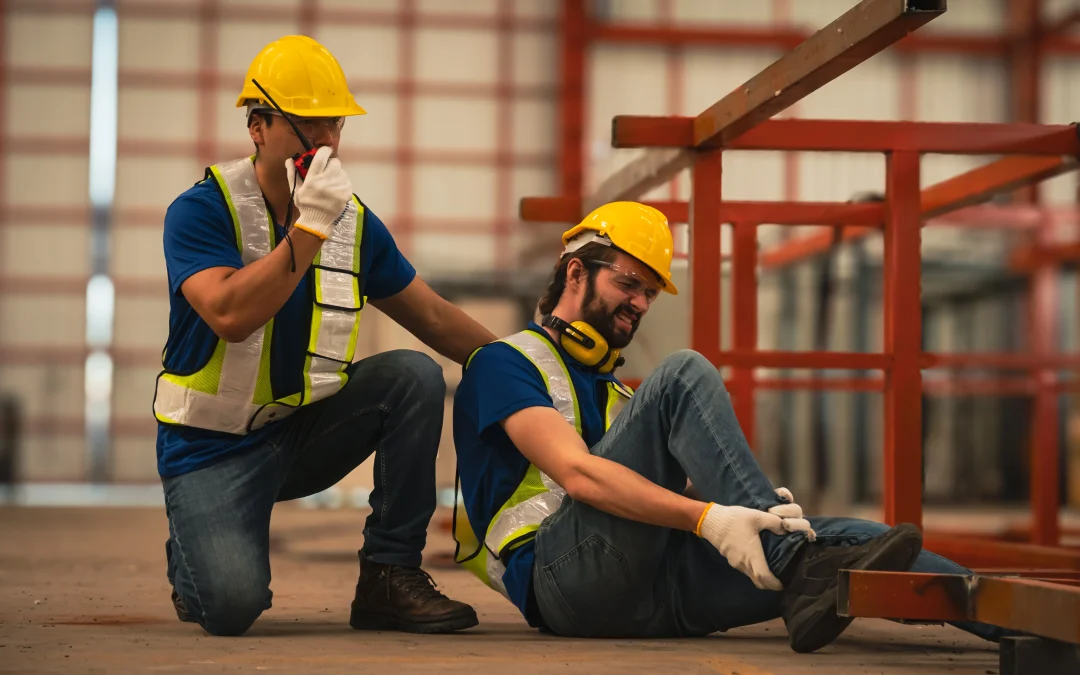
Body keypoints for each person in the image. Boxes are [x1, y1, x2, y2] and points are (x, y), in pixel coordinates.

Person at [450, 201, 1010, 653]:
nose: (641, 303)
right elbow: (579, 476)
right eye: (630, 284)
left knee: (855, 541)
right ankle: (788, 560)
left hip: (655, 592)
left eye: (649, 292)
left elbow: (651, 497)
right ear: (577, 271)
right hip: (565, 584)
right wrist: (710, 518)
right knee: (682, 372)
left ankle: (1019, 624)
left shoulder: (612, 393)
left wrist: (751, 511)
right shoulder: (506, 364)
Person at [155, 35, 496, 637]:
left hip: (302, 434)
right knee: (231, 608)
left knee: (412, 377)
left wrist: (531, 368)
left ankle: (389, 576)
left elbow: (436, 320)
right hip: (211, 448)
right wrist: (309, 225)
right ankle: (193, 546)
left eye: (335, 125)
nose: (328, 143)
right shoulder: (201, 211)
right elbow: (230, 315)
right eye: (308, 126)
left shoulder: (352, 222)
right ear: (258, 127)